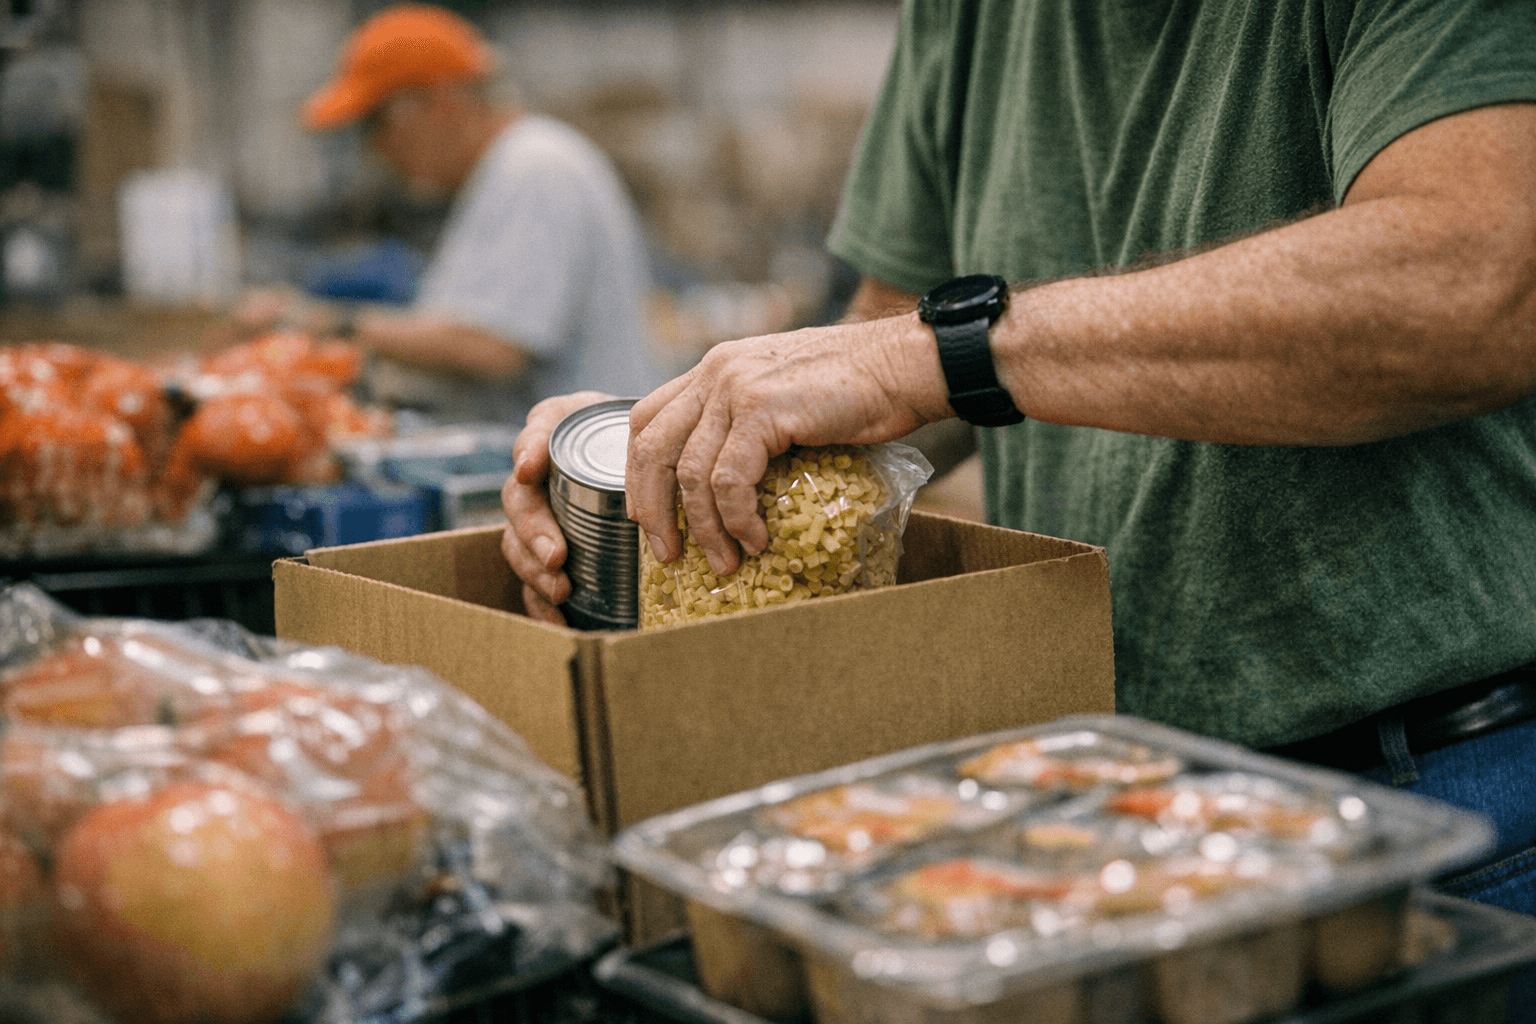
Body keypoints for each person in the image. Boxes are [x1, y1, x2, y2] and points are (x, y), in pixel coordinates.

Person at [504, 0, 1536, 998]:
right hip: (1080, 794)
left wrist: (948, 350)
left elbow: (1479, 278)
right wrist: (673, 438)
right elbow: (871, 359)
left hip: (1422, 799)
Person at [244, 3, 664, 424]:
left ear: (437, 104)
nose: (375, 151)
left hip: (577, 471)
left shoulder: (535, 166)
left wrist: (323, 322)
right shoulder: (503, 171)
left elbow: (494, 346)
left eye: (376, 124)